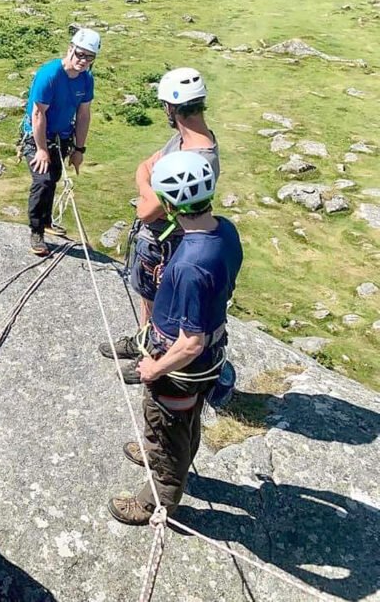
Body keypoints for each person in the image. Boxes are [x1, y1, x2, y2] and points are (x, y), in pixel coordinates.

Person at [107, 151, 242, 526]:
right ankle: (158, 451)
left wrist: (154, 367)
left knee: (168, 429)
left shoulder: (189, 266)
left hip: (182, 368)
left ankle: (157, 501)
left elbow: (190, 343)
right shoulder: (225, 230)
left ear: (168, 204)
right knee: (183, 423)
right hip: (208, 360)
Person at [103, 68, 220, 377]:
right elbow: (144, 168)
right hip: (158, 238)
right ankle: (144, 339)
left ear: (170, 107)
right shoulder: (184, 140)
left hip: (167, 242)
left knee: (162, 304)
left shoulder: (198, 156)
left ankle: (154, 357)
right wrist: (150, 190)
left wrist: (148, 192)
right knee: (148, 296)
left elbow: (146, 210)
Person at [20, 28, 100, 256]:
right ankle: (36, 231)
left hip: (62, 137)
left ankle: (45, 221)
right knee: (43, 179)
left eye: (89, 57)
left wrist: (79, 149)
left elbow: (84, 114)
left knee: (53, 177)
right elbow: (38, 115)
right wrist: (42, 150)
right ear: (70, 49)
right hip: (37, 136)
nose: (83, 61)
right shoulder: (50, 74)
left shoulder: (86, 80)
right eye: (80, 54)